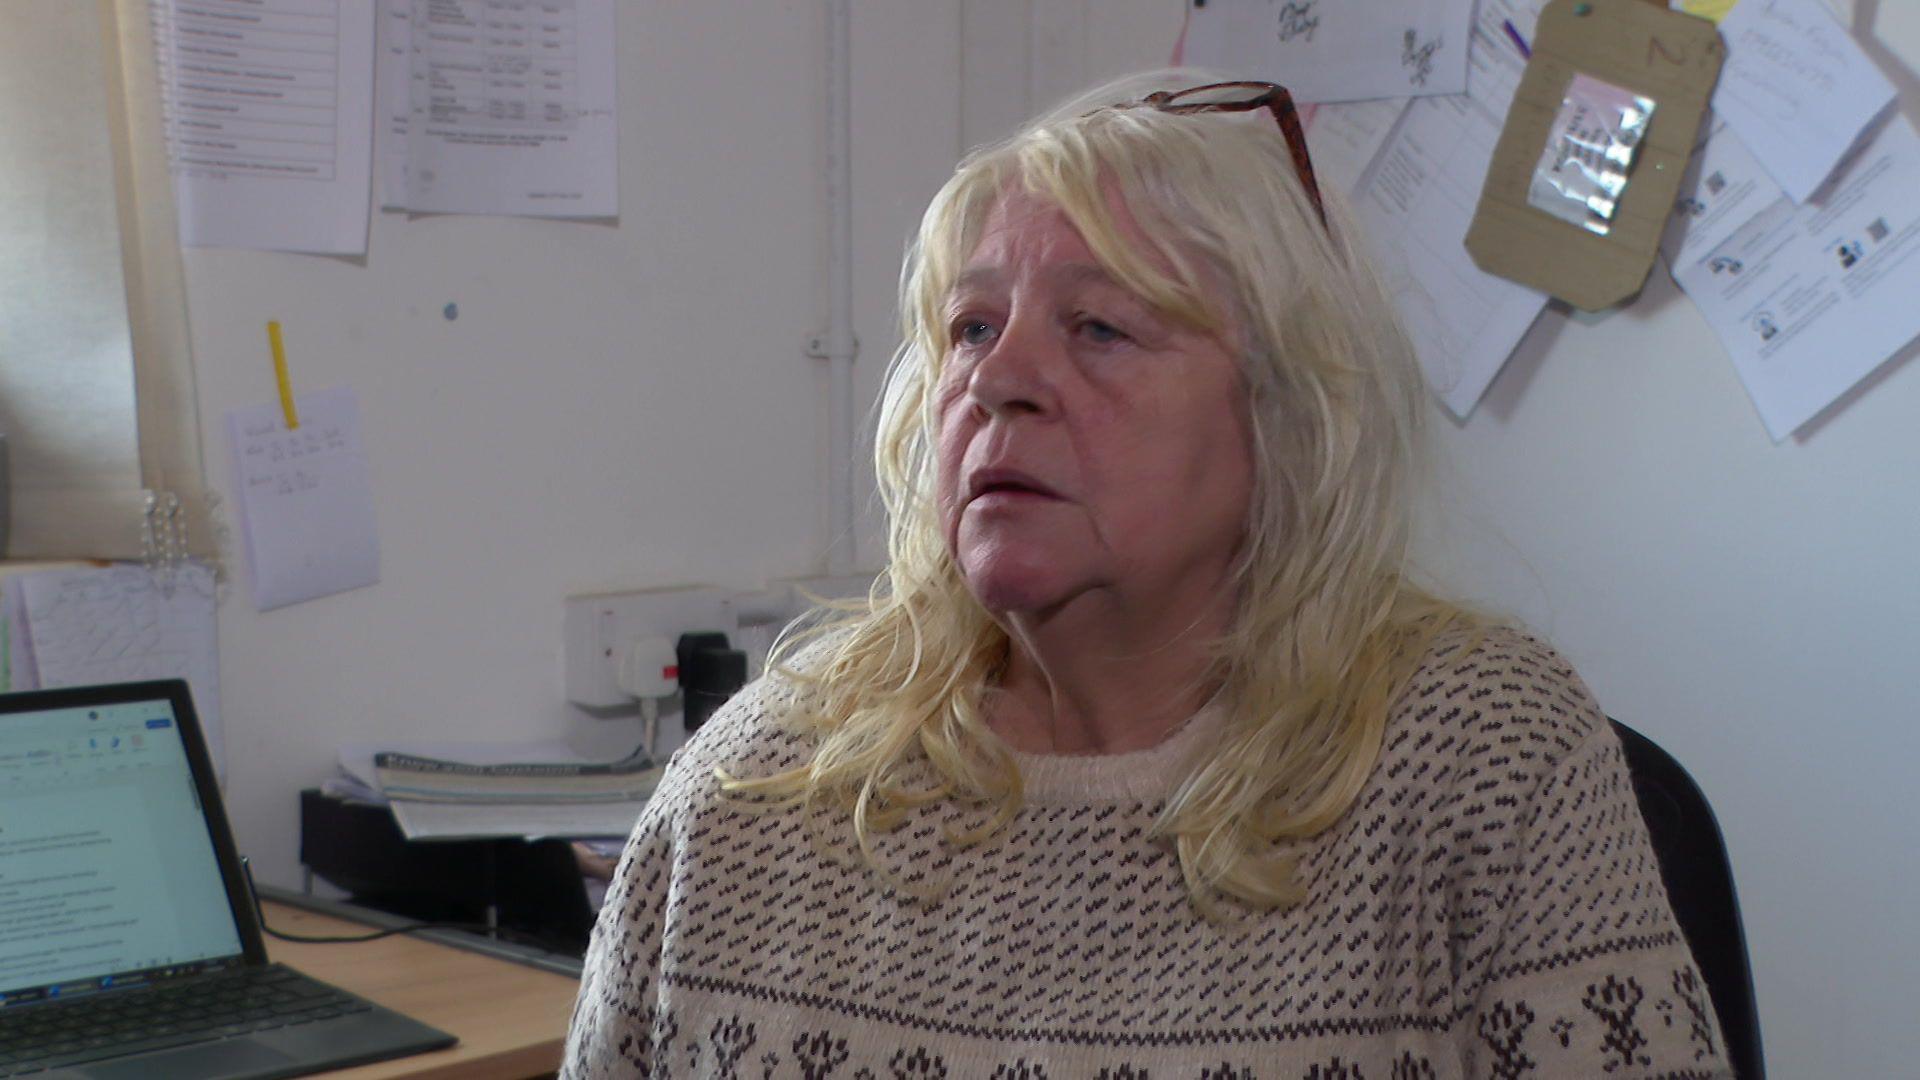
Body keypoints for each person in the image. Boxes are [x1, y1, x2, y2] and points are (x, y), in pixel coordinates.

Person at [563, 71, 1732, 1078]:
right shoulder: (758, 792)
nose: (999, 380)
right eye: (971, 327)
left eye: (1100, 328)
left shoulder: (1480, 761)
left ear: (1288, 411)